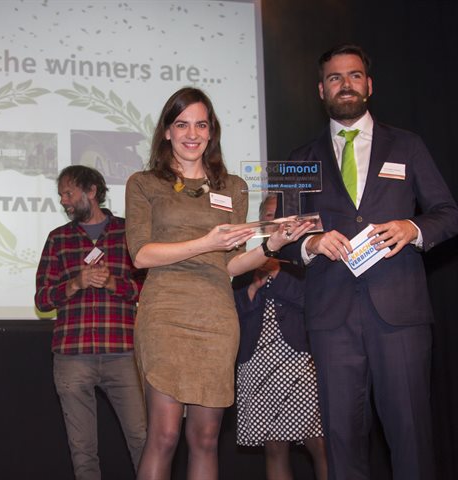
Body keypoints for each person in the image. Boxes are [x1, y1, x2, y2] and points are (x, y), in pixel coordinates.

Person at [286, 44, 458, 480]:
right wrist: (310, 243)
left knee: (411, 434)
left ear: (370, 84)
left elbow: (448, 213)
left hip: (399, 314)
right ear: (320, 89)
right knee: (341, 441)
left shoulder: (408, 145)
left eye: (355, 75)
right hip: (331, 317)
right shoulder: (298, 160)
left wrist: (412, 229)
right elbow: (278, 238)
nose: (346, 84)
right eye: (335, 78)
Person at [124, 87, 312, 480]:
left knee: (207, 438)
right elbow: (140, 255)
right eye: (182, 124)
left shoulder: (234, 187)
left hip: (216, 317)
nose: (191, 133)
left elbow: (232, 266)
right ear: (167, 132)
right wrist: (206, 242)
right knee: (164, 435)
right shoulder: (143, 183)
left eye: (201, 124)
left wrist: (273, 243)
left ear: (212, 132)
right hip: (165, 314)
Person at [35, 165, 147, 480]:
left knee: (142, 438)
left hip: (123, 352)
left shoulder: (129, 234)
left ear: (91, 191)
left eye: (68, 193)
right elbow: (42, 299)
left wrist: (113, 283)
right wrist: (75, 283)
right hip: (73, 355)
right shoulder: (58, 239)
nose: (64, 201)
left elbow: (150, 290)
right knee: (82, 448)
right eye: (61, 195)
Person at [232, 194, 327, 480]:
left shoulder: (309, 258)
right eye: (271, 218)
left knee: (319, 442)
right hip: (257, 361)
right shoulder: (246, 261)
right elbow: (235, 309)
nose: (278, 224)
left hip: (300, 359)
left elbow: (315, 304)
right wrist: (251, 291)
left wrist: (275, 276)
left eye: (283, 217)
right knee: (274, 445)